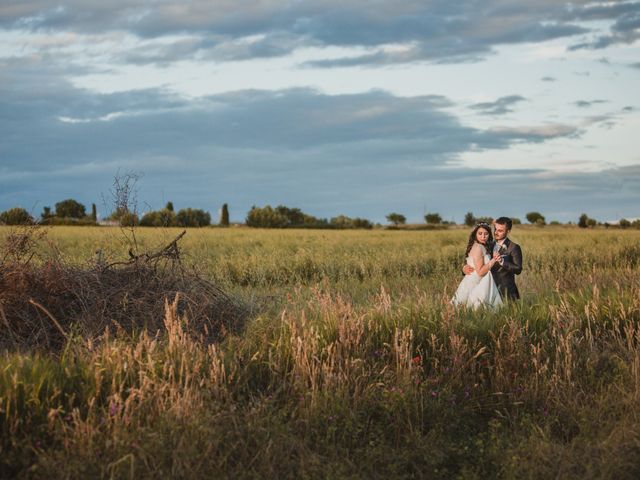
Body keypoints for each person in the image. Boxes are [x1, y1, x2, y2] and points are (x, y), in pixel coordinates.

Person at [463, 217, 522, 301]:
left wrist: (502, 262)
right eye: (495, 229)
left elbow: (518, 269)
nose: (496, 233)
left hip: (505, 292)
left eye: (500, 231)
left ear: (508, 231)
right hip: (486, 289)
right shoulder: (488, 244)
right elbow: (472, 260)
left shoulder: (514, 247)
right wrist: (464, 268)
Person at [451, 223, 503, 309]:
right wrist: (494, 259)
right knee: (472, 307)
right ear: (475, 234)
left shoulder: (485, 245)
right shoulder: (478, 247)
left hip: (481, 281)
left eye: (486, 234)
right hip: (476, 282)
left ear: (489, 235)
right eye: (480, 233)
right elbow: (480, 272)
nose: (483, 236)